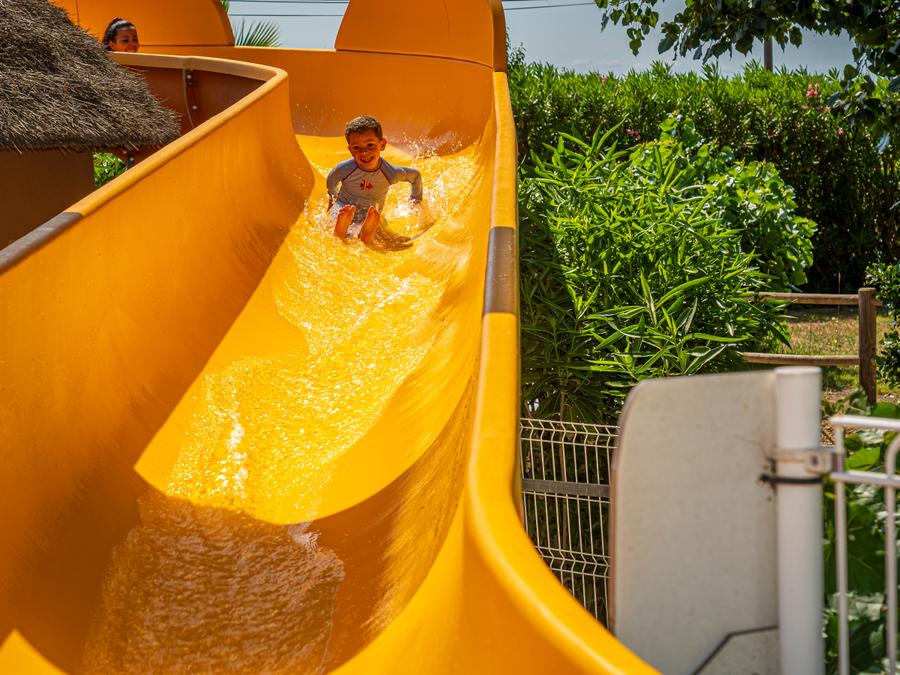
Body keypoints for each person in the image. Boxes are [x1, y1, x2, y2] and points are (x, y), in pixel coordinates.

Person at [326, 115, 423, 246]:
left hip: (369, 213)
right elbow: (331, 179)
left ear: (382, 145)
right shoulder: (345, 168)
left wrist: (416, 199)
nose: (364, 152)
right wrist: (333, 201)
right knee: (338, 212)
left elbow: (416, 176)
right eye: (356, 148)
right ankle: (345, 228)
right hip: (345, 207)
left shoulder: (390, 173)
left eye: (370, 145)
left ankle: (365, 231)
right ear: (350, 150)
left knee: (373, 218)